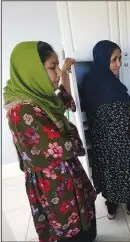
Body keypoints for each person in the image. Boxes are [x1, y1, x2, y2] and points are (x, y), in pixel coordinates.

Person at [3, 41, 97, 242]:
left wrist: (64, 71)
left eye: (56, 67)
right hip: (54, 183)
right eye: (51, 67)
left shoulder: (41, 100)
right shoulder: (23, 110)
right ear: (33, 70)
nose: (56, 74)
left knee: (83, 221)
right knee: (68, 228)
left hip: (64, 174)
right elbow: (63, 147)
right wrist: (72, 132)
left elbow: (62, 100)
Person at [81, 40, 130, 220]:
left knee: (108, 172)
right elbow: (123, 121)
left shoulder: (89, 81)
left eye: (119, 58)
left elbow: (98, 113)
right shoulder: (112, 87)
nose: (118, 64)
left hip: (101, 141)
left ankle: (111, 208)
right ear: (103, 60)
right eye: (113, 60)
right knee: (125, 169)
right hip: (121, 141)